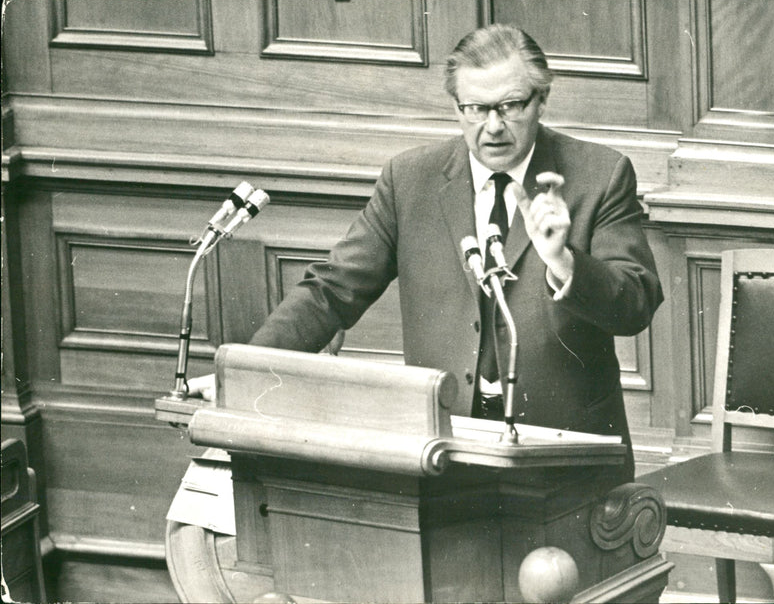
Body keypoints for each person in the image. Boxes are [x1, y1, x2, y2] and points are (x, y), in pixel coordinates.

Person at [189, 24, 663, 483]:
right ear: (456, 106)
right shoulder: (411, 179)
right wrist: (243, 372)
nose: (493, 126)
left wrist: (564, 261)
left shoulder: (600, 174)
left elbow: (636, 304)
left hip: (567, 453)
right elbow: (333, 289)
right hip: (443, 447)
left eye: (511, 106)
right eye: (475, 108)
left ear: (543, 100)